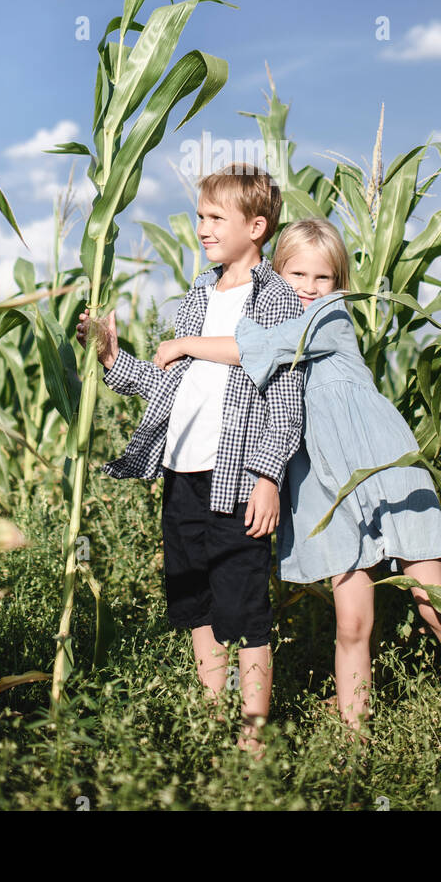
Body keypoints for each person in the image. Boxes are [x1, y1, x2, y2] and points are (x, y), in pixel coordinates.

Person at [152, 216, 441, 748]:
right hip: (328, 494)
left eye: (322, 277)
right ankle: (353, 742)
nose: (308, 287)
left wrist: (183, 344)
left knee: (434, 602)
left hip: (386, 472)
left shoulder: (328, 319)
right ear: (278, 274)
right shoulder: (270, 318)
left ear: (338, 284)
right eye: (295, 274)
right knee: (352, 622)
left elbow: (252, 349)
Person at [77, 164, 304, 755]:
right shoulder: (198, 295)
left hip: (235, 481)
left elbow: (283, 397)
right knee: (196, 603)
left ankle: (252, 742)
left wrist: (267, 477)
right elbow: (163, 384)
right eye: (200, 216)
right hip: (182, 476)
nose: (202, 228)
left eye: (214, 218)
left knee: (245, 608)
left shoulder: (275, 298)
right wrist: (109, 355)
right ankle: (211, 720)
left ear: (255, 227)